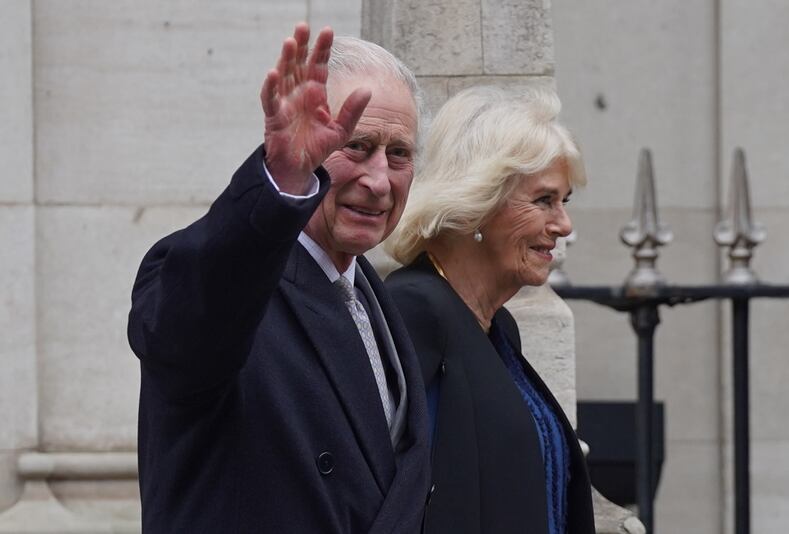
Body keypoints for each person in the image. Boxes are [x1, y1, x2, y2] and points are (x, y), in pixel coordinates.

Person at [127, 23, 431, 533]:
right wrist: (281, 183)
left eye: (398, 154)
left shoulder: (375, 296)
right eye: (355, 146)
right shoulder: (216, 279)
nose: (379, 181)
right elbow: (195, 318)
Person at [384, 85, 596, 534]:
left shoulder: (497, 325)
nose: (564, 225)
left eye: (564, 202)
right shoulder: (416, 309)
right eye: (544, 200)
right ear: (478, 203)